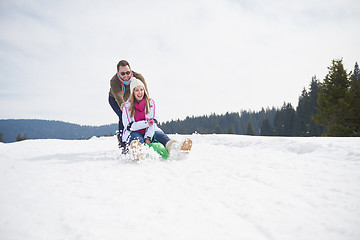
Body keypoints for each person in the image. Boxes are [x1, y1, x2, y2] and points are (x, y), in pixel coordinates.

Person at [122, 78, 192, 157]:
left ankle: (177, 148)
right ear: (132, 92)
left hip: (151, 130)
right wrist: (146, 123)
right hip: (134, 132)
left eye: (141, 89)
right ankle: (138, 153)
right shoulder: (127, 106)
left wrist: (148, 137)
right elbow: (129, 126)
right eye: (136, 90)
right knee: (136, 139)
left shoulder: (150, 102)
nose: (140, 92)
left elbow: (153, 122)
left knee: (160, 136)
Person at [108, 60, 148, 151]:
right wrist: (122, 104)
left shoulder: (138, 77)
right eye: (122, 73)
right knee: (123, 117)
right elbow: (118, 94)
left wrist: (147, 104)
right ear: (118, 73)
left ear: (130, 70)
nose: (125, 76)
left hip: (131, 98)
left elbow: (145, 91)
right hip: (115, 99)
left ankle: (144, 137)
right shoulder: (114, 81)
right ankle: (123, 142)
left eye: (127, 72)